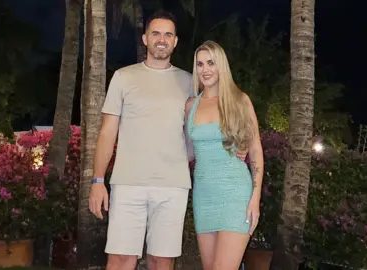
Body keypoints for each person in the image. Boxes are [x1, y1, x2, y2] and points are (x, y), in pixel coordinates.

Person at [88, 11, 246, 270]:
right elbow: (107, 132)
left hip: (173, 186)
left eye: (168, 34)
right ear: (145, 39)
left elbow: (207, 125)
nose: (162, 39)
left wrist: (233, 148)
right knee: (120, 259)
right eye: (156, 33)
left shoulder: (189, 82)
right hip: (128, 183)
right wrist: (97, 181)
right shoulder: (123, 77)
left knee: (162, 260)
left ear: (175, 42)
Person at [184, 40, 264, 270]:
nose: (205, 69)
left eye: (211, 63)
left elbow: (256, 149)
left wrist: (255, 198)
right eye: (200, 64)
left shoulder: (240, 101)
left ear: (222, 66)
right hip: (204, 196)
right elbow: (188, 151)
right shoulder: (191, 105)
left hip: (235, 194)